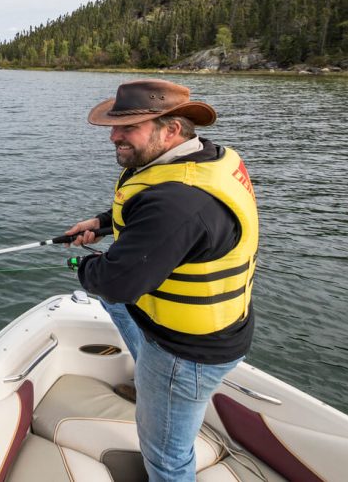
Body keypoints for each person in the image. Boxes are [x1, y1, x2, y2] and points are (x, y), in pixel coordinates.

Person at [64, 79, 258, 482]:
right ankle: (147, 379)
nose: (113, 137)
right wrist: (102, 223)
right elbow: (155, 216)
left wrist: (83, 266)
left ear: (171, 129)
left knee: (166, 458)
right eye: (114, 126)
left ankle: (158, 393)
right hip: (216, 327)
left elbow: (116, 283)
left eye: (128, 128)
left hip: (184, 354)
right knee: (115, 304)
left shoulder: (179, 203)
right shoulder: (203, 159)